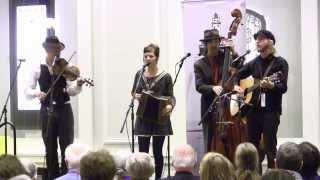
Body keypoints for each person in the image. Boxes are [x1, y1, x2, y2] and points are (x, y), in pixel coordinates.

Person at [25, 36, 84, 179]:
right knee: (50, 148)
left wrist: (78, 84)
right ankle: (52, 177)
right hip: (47, 111)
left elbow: (71, 91)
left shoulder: (65, 67)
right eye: (53, 49)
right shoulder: (37, 67)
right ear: (47, 50)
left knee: (67, 147)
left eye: (58, 49)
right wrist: (37, 93)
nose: (56, 52)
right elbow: (27, 91)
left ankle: (66, 177)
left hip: (64, 110)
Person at [234, 30, 289, 170]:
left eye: (261, 39)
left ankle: (272, 175)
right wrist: (237, 87)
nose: (257, 41)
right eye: (256, 39)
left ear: (270, 42)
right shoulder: (253, 63)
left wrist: (271, 85)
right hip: (253, 110)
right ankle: (254, 176)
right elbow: (237, 75)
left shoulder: (280, 63)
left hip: (271, 111)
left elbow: (283, 87)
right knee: (252, 147)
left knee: (270, 147)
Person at [131, 43, 175, 179]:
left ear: (157, 57)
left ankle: (157, 178)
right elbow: (134, 92)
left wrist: (170, 106)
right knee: (142, 153)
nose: (147, 59)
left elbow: (171, 97)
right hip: (143, 117)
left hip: (160, 119)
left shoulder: (165, 76)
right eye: (145, 56)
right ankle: (142, 177)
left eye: (151, 56)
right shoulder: (139, 74)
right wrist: (136, 96)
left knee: (157, 152)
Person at [194, 29, 238, 152]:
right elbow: (199, 86)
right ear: (206, 44)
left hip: (228, 105)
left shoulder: (227, 57)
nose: (214, 45)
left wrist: (233, 51)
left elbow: (240, 66)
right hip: (209, 106)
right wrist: (213, 88)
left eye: (216, 41)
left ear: (219, 42)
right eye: (210, 42)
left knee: (231, 138)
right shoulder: (199, 64)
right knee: (209, 139)